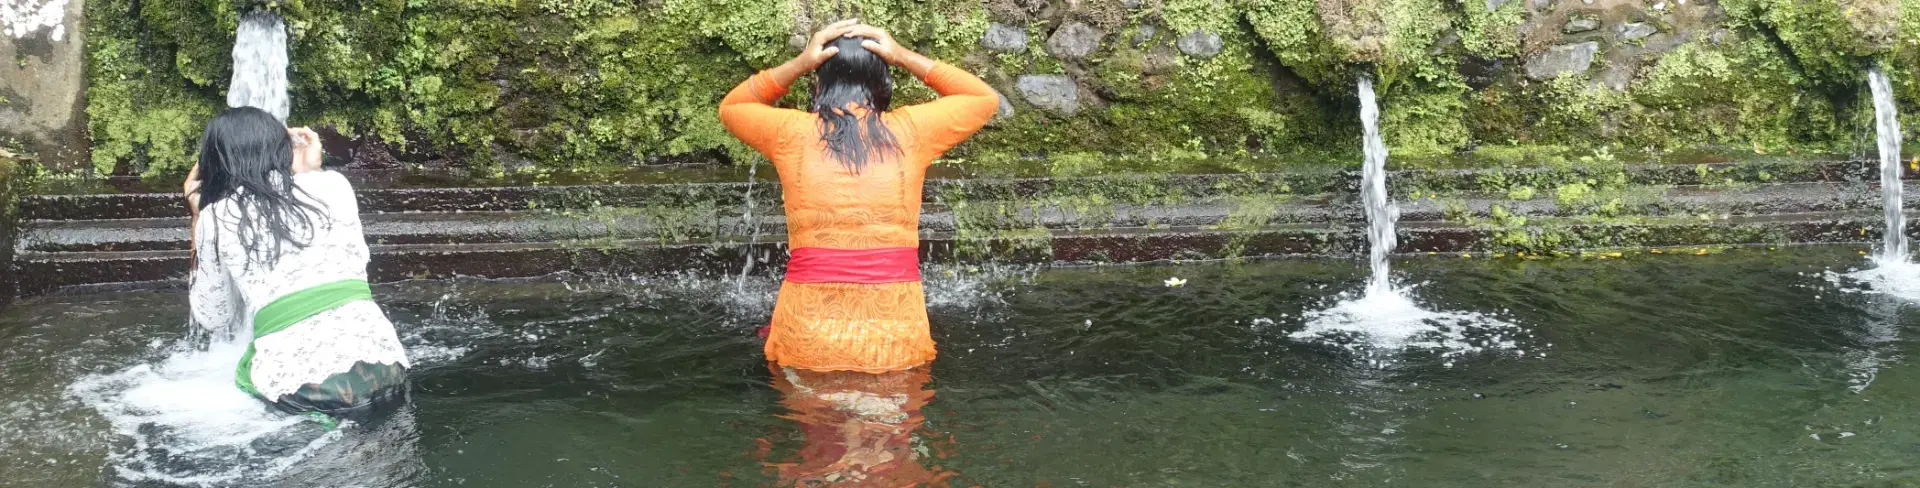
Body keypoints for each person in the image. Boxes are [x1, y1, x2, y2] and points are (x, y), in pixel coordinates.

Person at [719, 20, 999, 373]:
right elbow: (983, 98)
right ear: (883, 82)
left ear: (819, 83)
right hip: (893, 330)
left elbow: (733, 107)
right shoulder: (911, 131)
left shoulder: (790, 132)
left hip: (807, 329)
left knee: (813, 419)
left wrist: (800, 63)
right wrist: (902, 56)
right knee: (892, 420)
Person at [183, 106, 411, 421]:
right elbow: (357, 259)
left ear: (217, 163)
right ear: (284, 147)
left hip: (307, 387)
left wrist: (197, 217)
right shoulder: (335, 186)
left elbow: (214, 316)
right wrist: (308, 168)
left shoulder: (215, 217)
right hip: (385, 364)